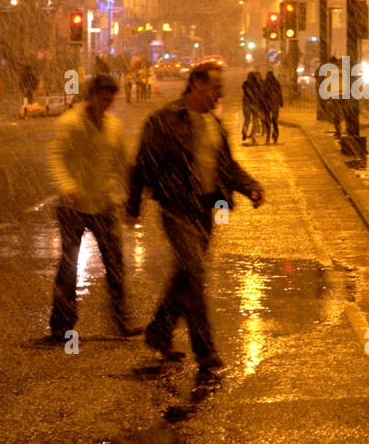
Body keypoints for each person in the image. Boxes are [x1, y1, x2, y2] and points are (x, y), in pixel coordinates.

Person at [126, 62, 264, 374]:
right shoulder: (165, 121)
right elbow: (142, 162)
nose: (220, 93)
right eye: (216, 86)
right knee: (195, 272)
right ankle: (205, 351)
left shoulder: (215, 126)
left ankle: (159, 331)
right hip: (176, 207)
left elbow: (226, 167)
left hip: (206, 210)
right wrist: (133, 205)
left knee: (186, 275)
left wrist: (250, 187)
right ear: (196, 85)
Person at [44, 74, 137, 341]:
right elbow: (56, 157)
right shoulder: (69, 124)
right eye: (103, 97)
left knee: (116, 264)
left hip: (104, 203)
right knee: (68, 266)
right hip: (72, 206)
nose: (106, 103)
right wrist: (67, 186)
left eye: (110, 98)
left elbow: (122, 162)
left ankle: (121, 322)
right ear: (91, 96)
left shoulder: (113, 127)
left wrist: (133, 196)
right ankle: (62, 323)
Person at [241, 71, 262, 144]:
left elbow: (245, 91)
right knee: (255, 120)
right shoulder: (258, 84)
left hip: (246, 104)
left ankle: (244, 130)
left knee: (247, 120)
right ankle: (253, 136)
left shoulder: (245, 84)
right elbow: (260, 95)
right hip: (255, 104)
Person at [263, 69, 283, 143]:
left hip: (269, 104)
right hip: (272, 104)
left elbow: (263, 94)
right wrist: (280, 101)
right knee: (274, 120)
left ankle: (270, 135)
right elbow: (279, 93)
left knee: (271, 120)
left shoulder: (266, 83)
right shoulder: (275, 83)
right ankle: (274, 134)